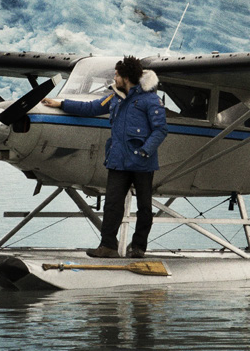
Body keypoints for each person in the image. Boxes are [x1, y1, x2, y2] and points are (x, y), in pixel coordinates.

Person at [43, 56, 168, 258]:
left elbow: (160, 130)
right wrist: (61, 103)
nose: (114, 78)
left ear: (126, 77)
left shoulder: (150, 100)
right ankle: (108, 246)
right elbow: (91, 107)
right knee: (112, 205)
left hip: (142, 163)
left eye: (117, 75)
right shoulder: (115, 97)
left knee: (144, 207)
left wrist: (145, 151)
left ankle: (138, 247)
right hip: (118, 161)